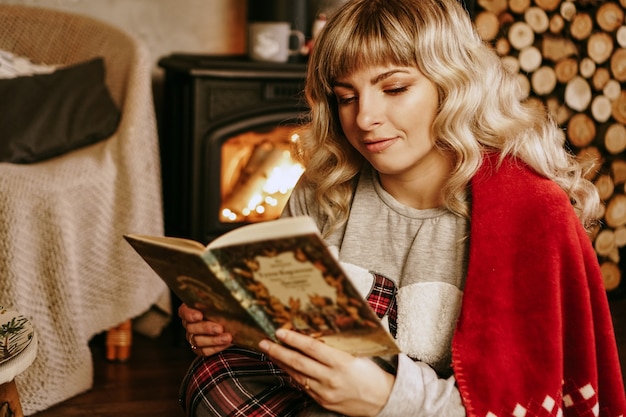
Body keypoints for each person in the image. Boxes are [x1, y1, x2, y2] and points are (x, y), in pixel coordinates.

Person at [178, 0, 626, 415]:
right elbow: (288, 328)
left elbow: (524, 401)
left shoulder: (531, 211)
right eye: (346, 96)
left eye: (393, 88)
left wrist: (383, 399)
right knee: (211, 381)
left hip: (430, 408)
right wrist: (229, 322)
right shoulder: (324, 187)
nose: (365, 118)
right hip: (326, 388)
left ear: (452, 84)